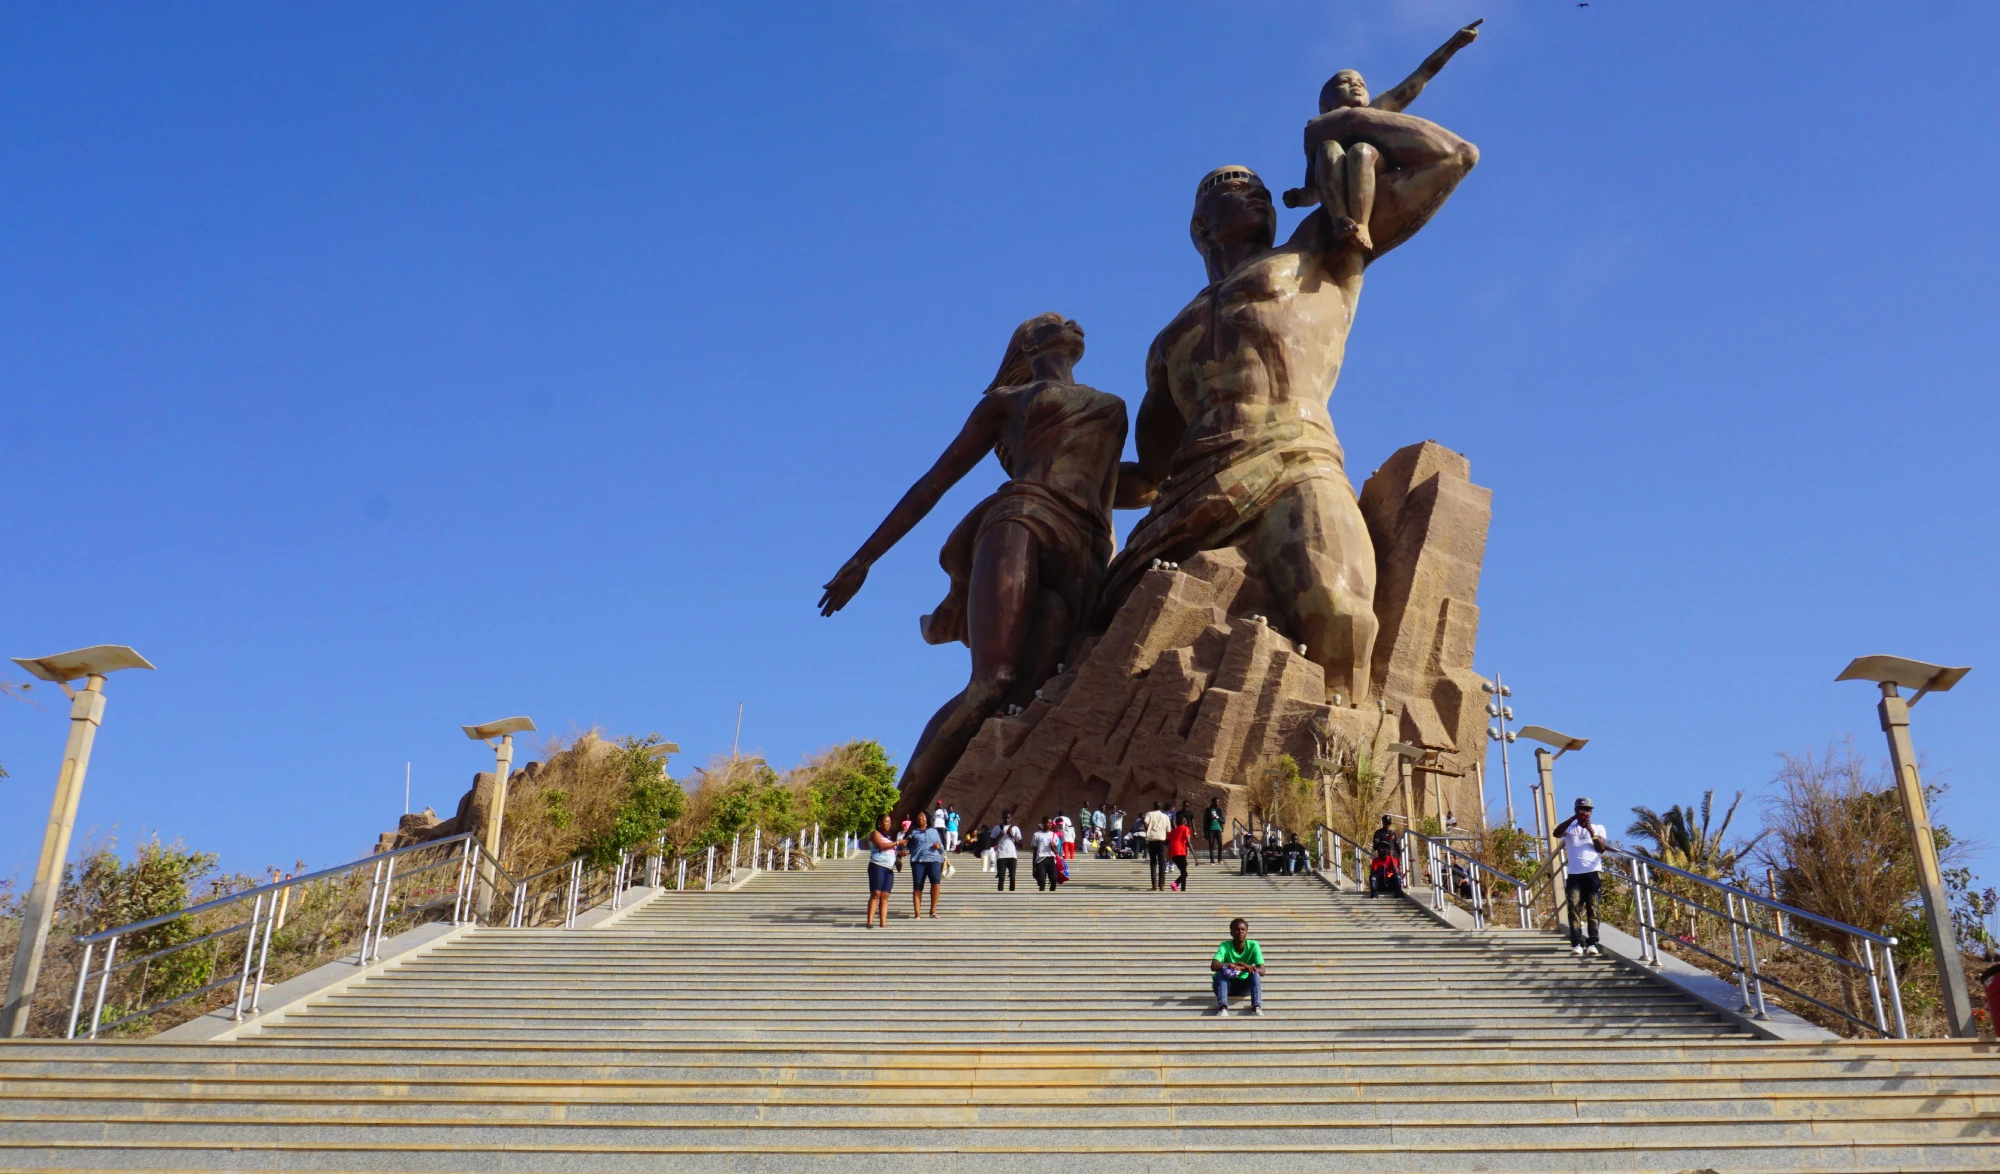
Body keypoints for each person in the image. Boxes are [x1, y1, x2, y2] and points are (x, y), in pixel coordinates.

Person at [819, 313, 1141, 818]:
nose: (1074, 322)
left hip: (1087, 548)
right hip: (1024, 517)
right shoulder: (1006, 403)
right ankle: (891, 820)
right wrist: (864, 560)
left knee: (1034, 692)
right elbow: (934, 483)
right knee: (991, 683)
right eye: (1056, 321)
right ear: (1030, 343)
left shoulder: (1113, 407)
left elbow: (1121, 485)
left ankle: (981, 817)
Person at [1281, 20, 1483, 252]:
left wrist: (1454, 44)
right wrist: (1299, 197)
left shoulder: (1374, 111)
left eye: (1361, 84)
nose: (1356, 86)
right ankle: (1340, 219)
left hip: (1372, 166)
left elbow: (1421, 76)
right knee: (1328, 148)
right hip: (1335, 179)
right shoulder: (1315, 130)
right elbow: (1315, 188)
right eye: (1345, 83)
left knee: (1361, 151)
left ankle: (1362, 224)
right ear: (1326, 104)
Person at [1553, 797, 1609, 956]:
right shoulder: (1569, 828)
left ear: (1591, 812)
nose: (1584, 813)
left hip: (1593, 873)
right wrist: (1573, 819)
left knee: (1593, 908)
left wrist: (1590, 830)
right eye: (1581, 810)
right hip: (1574, 874)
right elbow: (1556, 833)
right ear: (1575, 810)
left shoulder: (1598, 827)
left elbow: (1601, 848)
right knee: (1573, 909)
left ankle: (1592, 943)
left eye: (1587, 810)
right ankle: (1577, 942)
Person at [1210, 917, 1265, 1017]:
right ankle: (1223, 1008)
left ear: (1247, 931)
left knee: (1255, 973)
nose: (1240, 932)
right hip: (1225, 985)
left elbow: (1262, 971)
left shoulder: (1253, 945)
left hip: (1244, 987)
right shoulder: (1225, 945)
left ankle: (1257, 1006)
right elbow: (1214, 965)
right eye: (1237, 929)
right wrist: (1230, 965)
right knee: (1221, 973)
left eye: (1243, 929)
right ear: (1231, 932)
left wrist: (1242, 966)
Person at [866, 814, 905, 928]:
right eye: (886, 821)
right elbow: (881, 846)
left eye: (889, 822)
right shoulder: (875, 833)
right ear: (879, 823)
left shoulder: (889, 838)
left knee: (885, 895)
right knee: (876, 894)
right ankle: (870, 921)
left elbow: (892, 851)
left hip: (889, 868)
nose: (888, 824)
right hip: (877, 865)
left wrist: (900, 853)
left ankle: (883, 923)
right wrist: (897, 843)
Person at [906, 811, 946, 919]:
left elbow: (942, 847)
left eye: (923, 816)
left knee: (936, 884)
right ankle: (917, 913)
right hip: (918, 861)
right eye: (919, 816)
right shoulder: (912, 832)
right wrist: (903, 850)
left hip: (934, 860)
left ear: (927, 819)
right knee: (918, 886)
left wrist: (939, 846)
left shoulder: (934, 831)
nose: (921, 818)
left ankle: (932, 911)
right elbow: (905, 845)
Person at [1142, 802, 1173, 891]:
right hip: (1161, 840)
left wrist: (1148, 829)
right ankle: (1162, 884)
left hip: (1151, 840)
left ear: (1153, 807)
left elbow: (1145, 822)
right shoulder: (1166, 817)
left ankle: (1154, 884)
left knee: (1153, 863)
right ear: (1161, 807)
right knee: (1162, 863)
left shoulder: (1149, 814)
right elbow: (1168, 831)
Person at [990, 814, 1021, 891]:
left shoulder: (1015, 828)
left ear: (1011, 818)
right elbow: (991, 843)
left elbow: (1020, 844)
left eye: (1008, 818)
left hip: (1012, 855)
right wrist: (999, 835)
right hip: (1001, 855)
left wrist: (1012, 836)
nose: (1007, 819)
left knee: (1012, 876)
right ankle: (1000, 894)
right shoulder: (997, 828)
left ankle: (1012, 893)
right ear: (1002, 818)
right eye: (1005, 818)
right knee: (1001, 876)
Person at [1032, 818, 1063, 891]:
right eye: (1048, 823)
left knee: (1054, 879)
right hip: (1040, 860)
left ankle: (1051, 896)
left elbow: (1056, 852)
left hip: (1051, 859)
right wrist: (1033, 868)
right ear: (1043, 823)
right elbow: (1034, 852)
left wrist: (1053, 847)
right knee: (1042, 881)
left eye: (1051, 823)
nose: (1050, 824)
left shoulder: (1053, 835)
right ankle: (1041, 896)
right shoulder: (1036, 835)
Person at [1167, 813, 1193, 892]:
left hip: (1173, 853)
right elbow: (1188, 842)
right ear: (1184, 821)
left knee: (1183, 872)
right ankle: (1176, 884)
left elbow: (1167, 840)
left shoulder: (1174, 830)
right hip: (1180, 851)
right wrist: (1195, 857)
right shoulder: (1185, 828)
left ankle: (1180, 887)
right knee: (1184, 872)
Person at [1204, 800, 1224, 865]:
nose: (1218, 803)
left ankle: (1219, 859)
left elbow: (1223, 820)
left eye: (1218, 801)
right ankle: (1212, 860)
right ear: (1213, 802)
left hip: (1218, 829)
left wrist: (1217, 817)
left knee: (1220, 843)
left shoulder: (1219, 810)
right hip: (1210, 829)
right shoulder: (1207, 810)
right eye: (1216, 801)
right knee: (1211, 844)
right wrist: (1205, 831)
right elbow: (1205, 821)